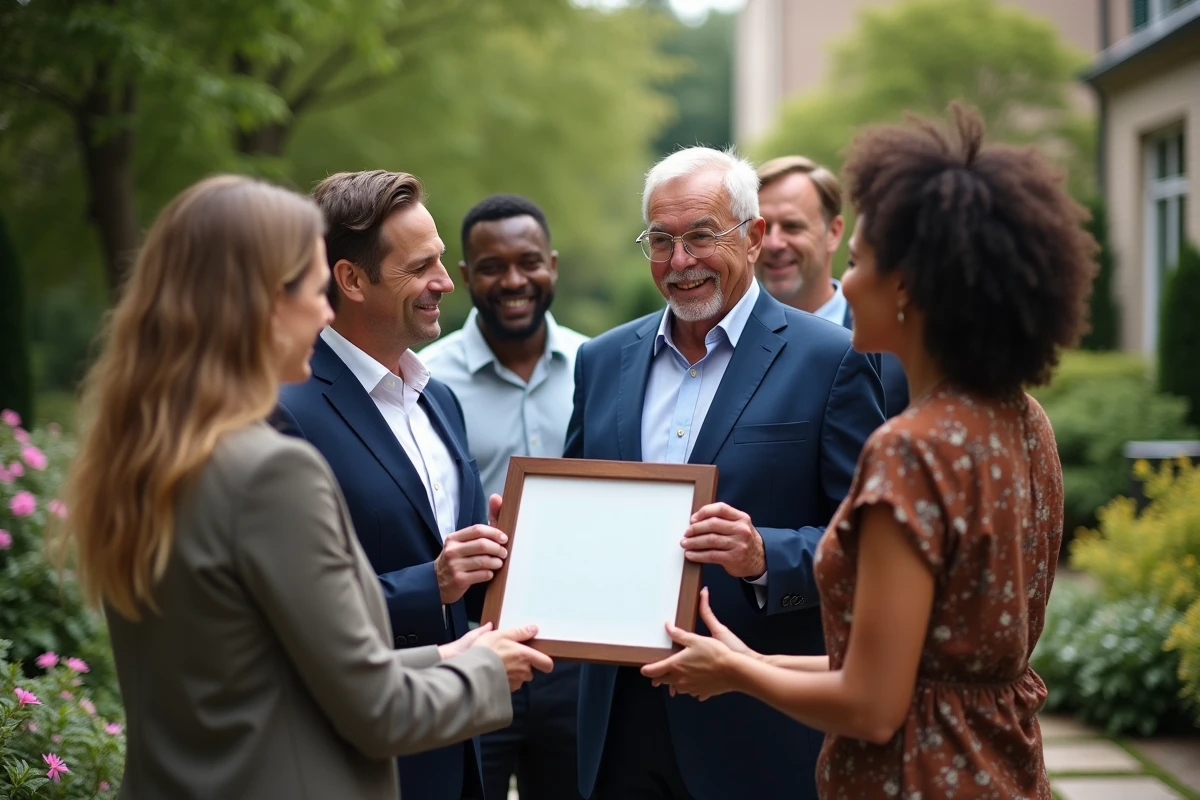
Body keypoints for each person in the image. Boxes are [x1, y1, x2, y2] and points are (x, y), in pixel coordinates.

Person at [642, 105, 1096, 800]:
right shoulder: (1022, 419)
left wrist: (737, 674)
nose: (844, 288)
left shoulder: (912, 450)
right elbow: (921, 662)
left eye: (859, 264)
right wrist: (753, 657)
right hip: (1001, 764)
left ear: (909, 286)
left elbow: (875, 704)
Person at [56, 175, 553, 799]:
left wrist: (452, 653)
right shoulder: (269, 469)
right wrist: (486, 668)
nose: (323, 314)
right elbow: (374, 708)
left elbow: (265, 670)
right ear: (260, 304)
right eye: (310, 288)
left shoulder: (153, 454)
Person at [566, 146, 886, 800]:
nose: (679, 262)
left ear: (755, 235)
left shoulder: (833, 360)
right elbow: (580, 511)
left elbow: (870, 543)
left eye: (701, 237)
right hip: (621, 719)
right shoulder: (600, 362)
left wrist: (766, 553)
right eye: (661, 240)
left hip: (757, 724)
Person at [275, 170, 542, 800]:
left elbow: (470, 580)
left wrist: (506, 560)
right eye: (421, 267)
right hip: (368, 761)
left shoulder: (438, 399)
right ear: (351, 280)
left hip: (465, 746)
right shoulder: (286, 409)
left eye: (443, 261)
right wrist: (435, 581)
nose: (447, 283)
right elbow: (290, 612)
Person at [422, 193, 588, 800]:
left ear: (553, 265)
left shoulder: (597, 368)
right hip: (470, 649)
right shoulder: (424, 382)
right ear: (465, 276)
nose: (514, 280)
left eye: (529, 261)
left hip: (579, 657)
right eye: (492, 267)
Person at [755, 155, 909, 417]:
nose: (774, 243)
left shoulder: (899, 345)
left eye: (792, 226)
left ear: (834, 232)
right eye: (762, 229)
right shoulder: (720, 344)